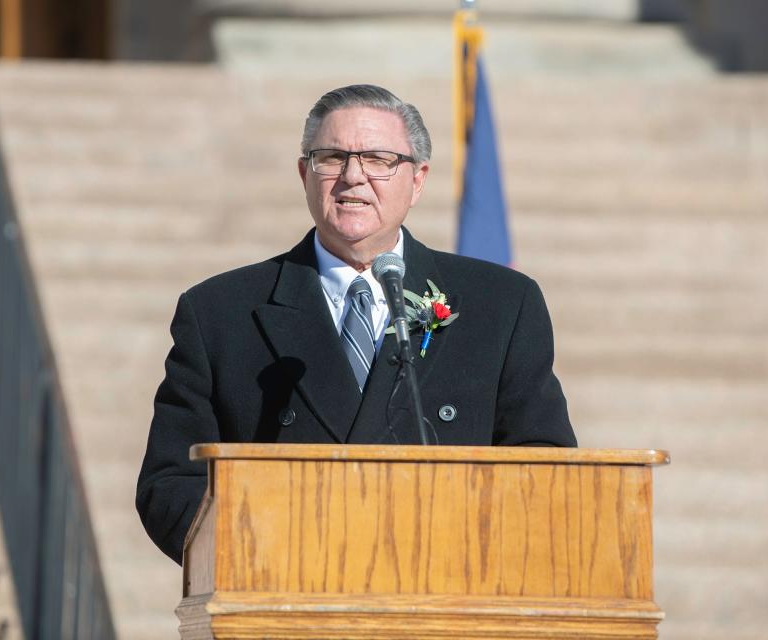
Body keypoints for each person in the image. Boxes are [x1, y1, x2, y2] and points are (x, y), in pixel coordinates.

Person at [136, 84, 576, 564]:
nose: (352, 177)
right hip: (283, 596)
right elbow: (171, 484)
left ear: (418, 179)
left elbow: (544, 465)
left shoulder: (502, 305)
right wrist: (262, 552)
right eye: (331, 158)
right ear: (305, 174)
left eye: (378, 159)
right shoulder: (220, 312)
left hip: (446, 592)